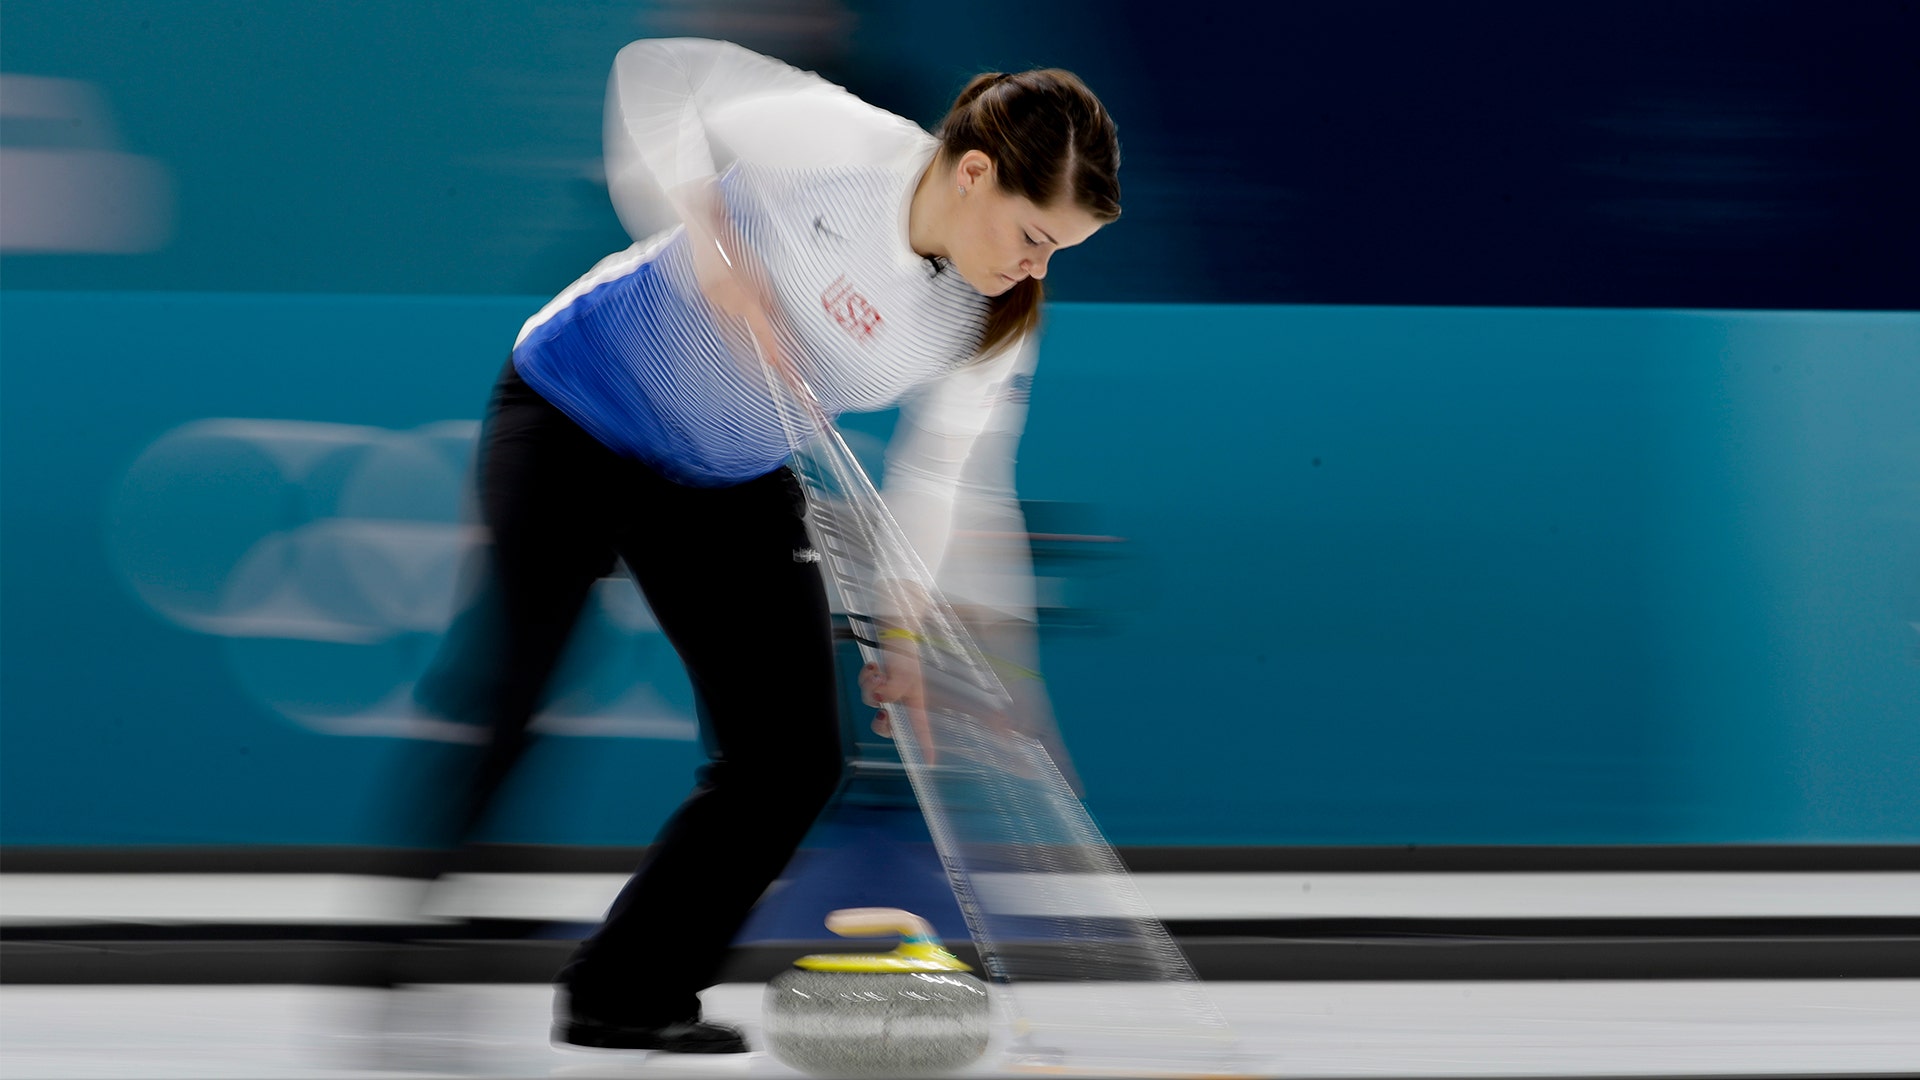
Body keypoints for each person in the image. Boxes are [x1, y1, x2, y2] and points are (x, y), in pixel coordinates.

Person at [416, 36, 1120, 1054]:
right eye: (1032, 233)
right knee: (515, 692)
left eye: (1055, 251)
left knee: (791, 758)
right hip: (579, 405)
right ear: (975, 172)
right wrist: (703, 239)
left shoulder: (991, 314)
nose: (1034, 265)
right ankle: (409, 936)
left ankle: (624, 992)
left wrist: (906, 631)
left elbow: (946, 477)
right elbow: (653, 74)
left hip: (725, 471)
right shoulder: (850, 146)